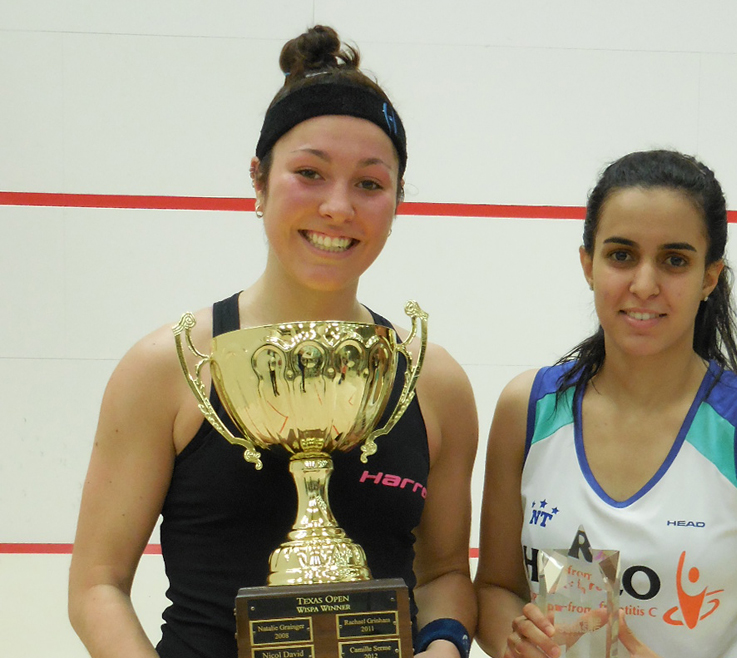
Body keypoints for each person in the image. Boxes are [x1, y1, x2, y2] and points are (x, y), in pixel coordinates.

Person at [68, 25, 478, 658]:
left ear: (399, 201)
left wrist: (446, 646)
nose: (338, 208)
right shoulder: (168, 369)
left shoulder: (434, 382)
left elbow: (446, 572)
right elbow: (97, 585)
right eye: (309, 174)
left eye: (370, 183)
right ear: (258, 181)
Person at [474, 150, 737, 658]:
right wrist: (518, 642)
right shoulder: (527, 408)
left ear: (710, 277)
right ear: (587, 264)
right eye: (621, 255)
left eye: (674, 261)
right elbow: (494, 590)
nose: (643, 285)